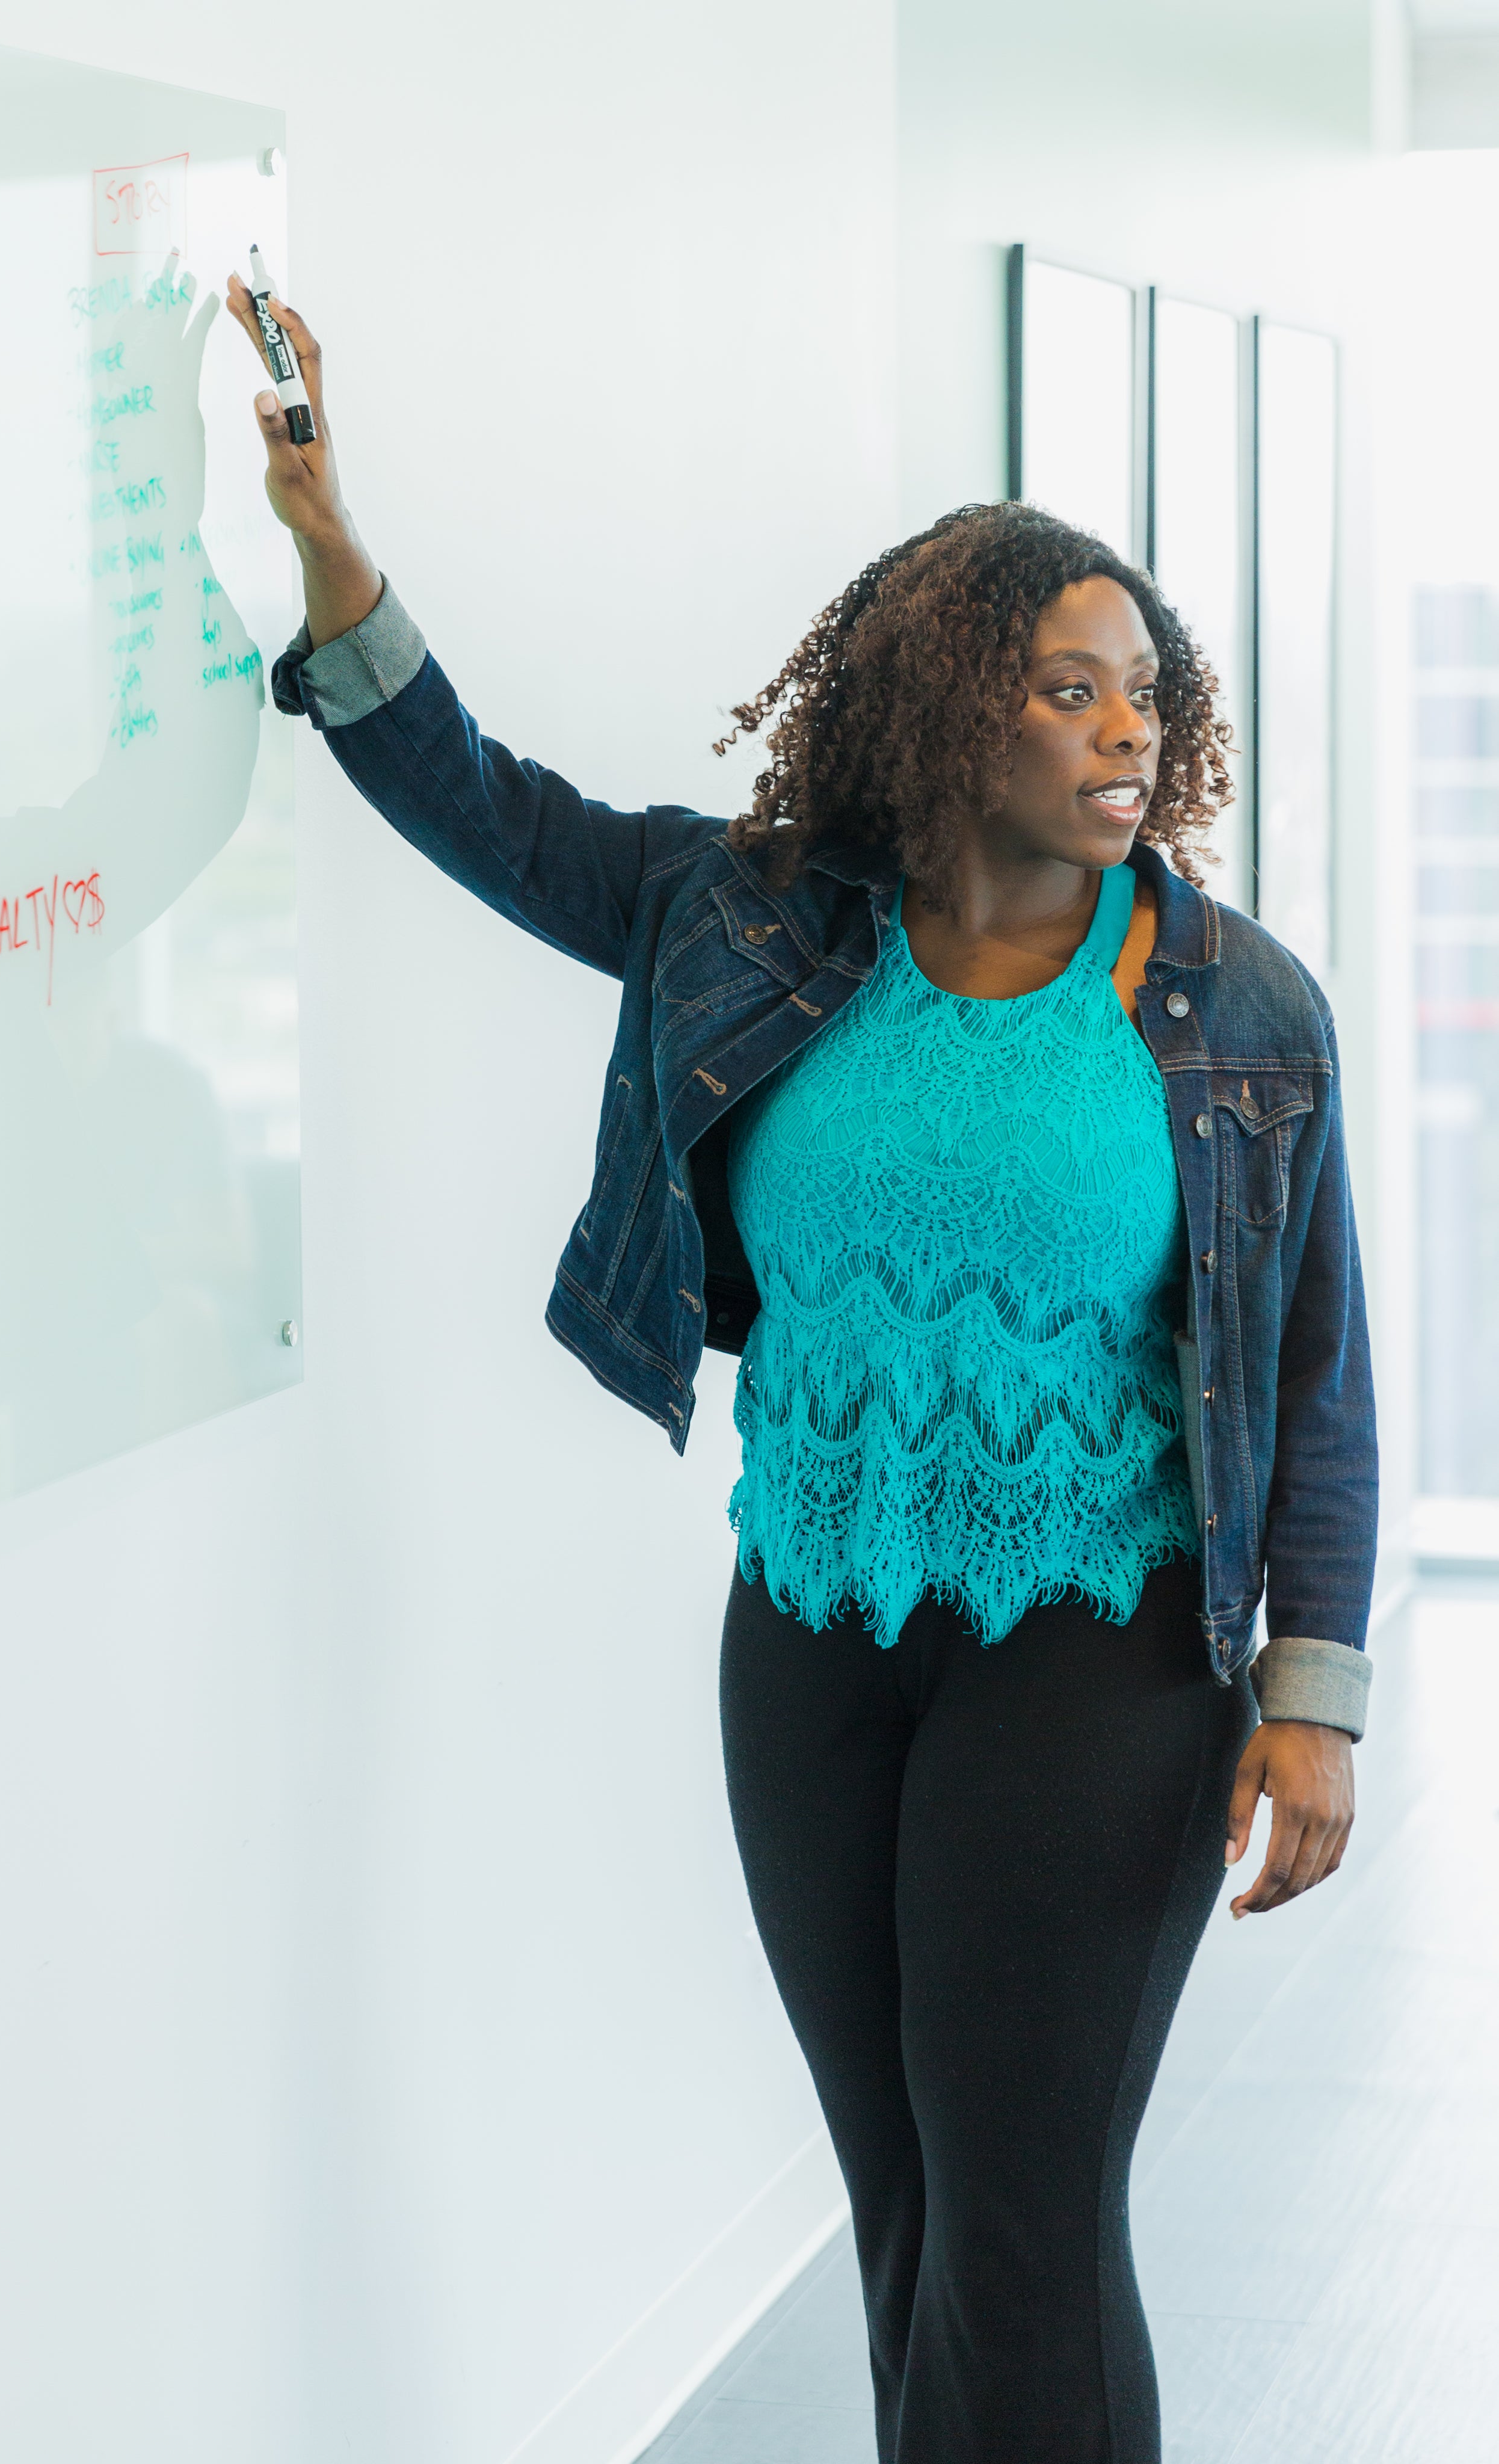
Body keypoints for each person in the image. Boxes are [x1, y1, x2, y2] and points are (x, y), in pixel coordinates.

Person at [226, 281, 1378, 2464]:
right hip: (814, 1630)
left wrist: (1306, 1701)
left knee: (1026, 2220)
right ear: (953, 716)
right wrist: (331, 553)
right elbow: (490, 812)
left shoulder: (1236, 1013)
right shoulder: (750, 919)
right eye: (1068, 692)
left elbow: (1314, 1375)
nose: (1125, 735)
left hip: (1101, 1646)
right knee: (909, 2204)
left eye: (1146, 696)